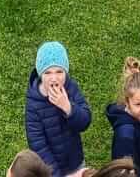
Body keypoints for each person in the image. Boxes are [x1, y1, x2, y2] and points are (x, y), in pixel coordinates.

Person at [24, 41, 92, 177]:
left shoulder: (70, 87)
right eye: (48, 72)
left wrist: (68, 108)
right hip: (51, 170)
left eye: (59, 71)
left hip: (75, 161)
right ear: (40, 74)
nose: (54, 78)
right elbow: (38, 146)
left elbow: (85, 122)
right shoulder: (33, 103)